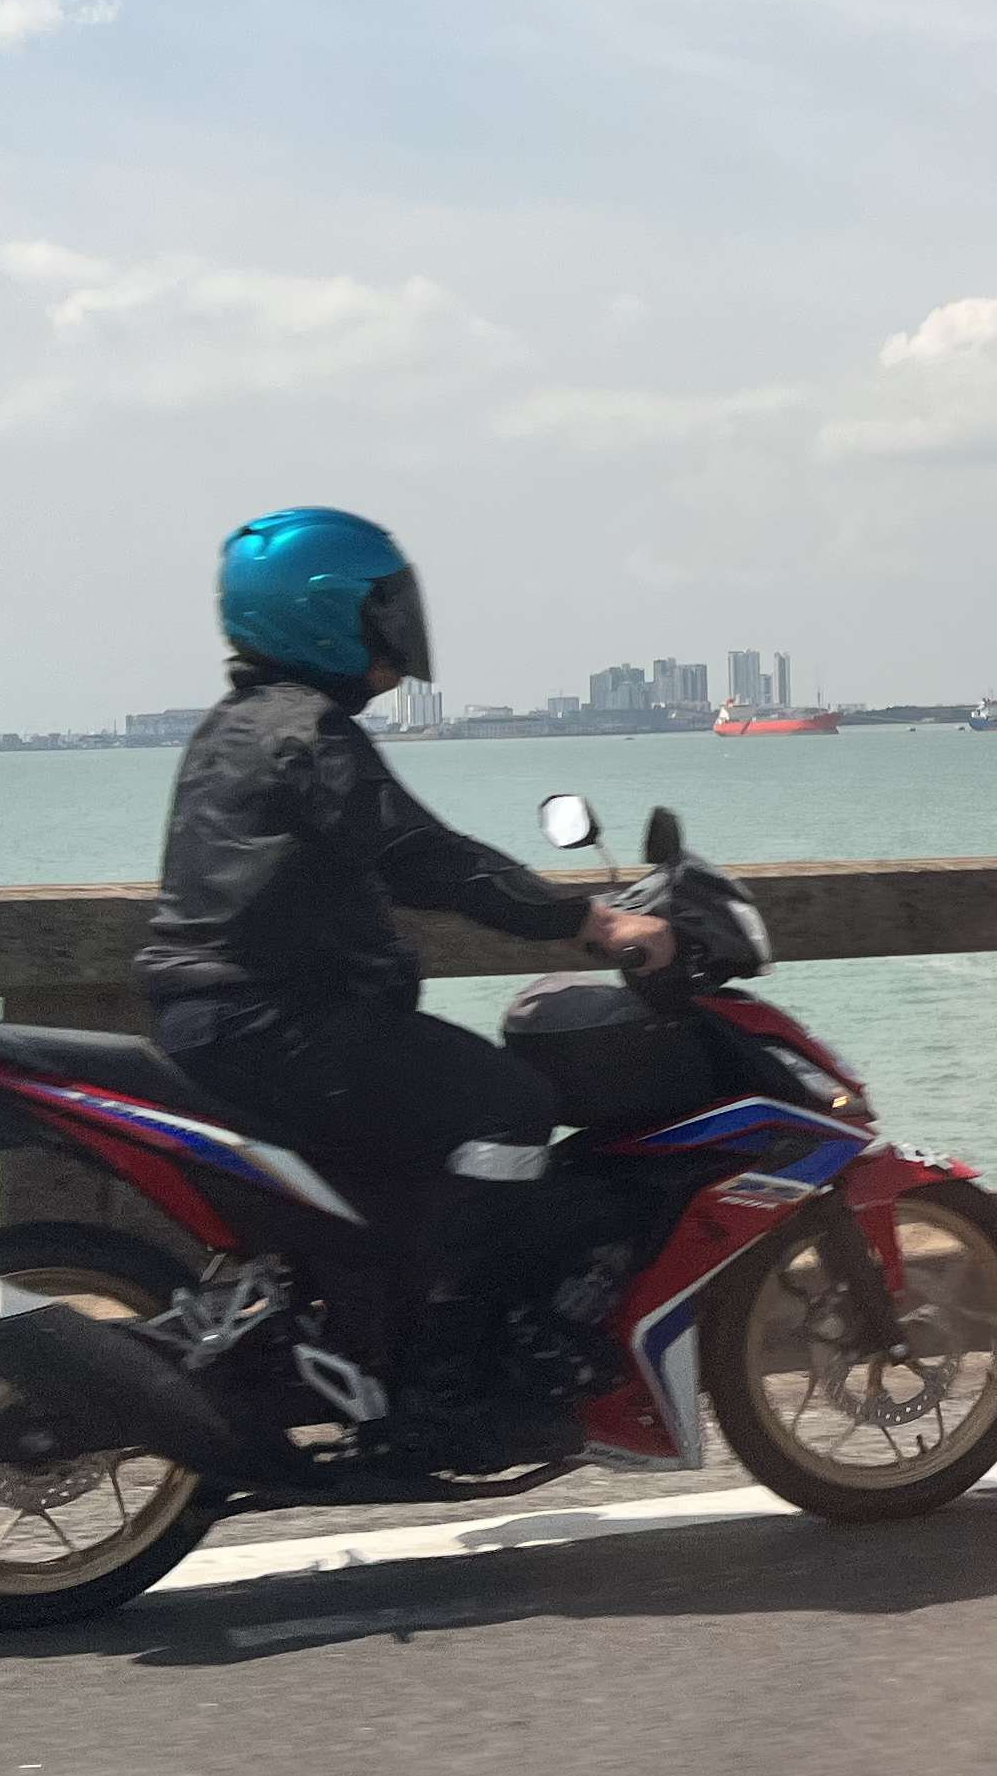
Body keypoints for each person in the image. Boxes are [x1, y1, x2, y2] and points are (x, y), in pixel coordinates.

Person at [135, 505, 672, 1449]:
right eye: (382, 609)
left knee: (422, 1143)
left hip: (227, 1020)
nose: (396, 630)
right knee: (507, 1101)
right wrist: (587, 918)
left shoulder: (239, 726)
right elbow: (423, 855)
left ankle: (380, 1331)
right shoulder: (307, 732)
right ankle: (446, 1386)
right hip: (275, 1024)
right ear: (324, 615)